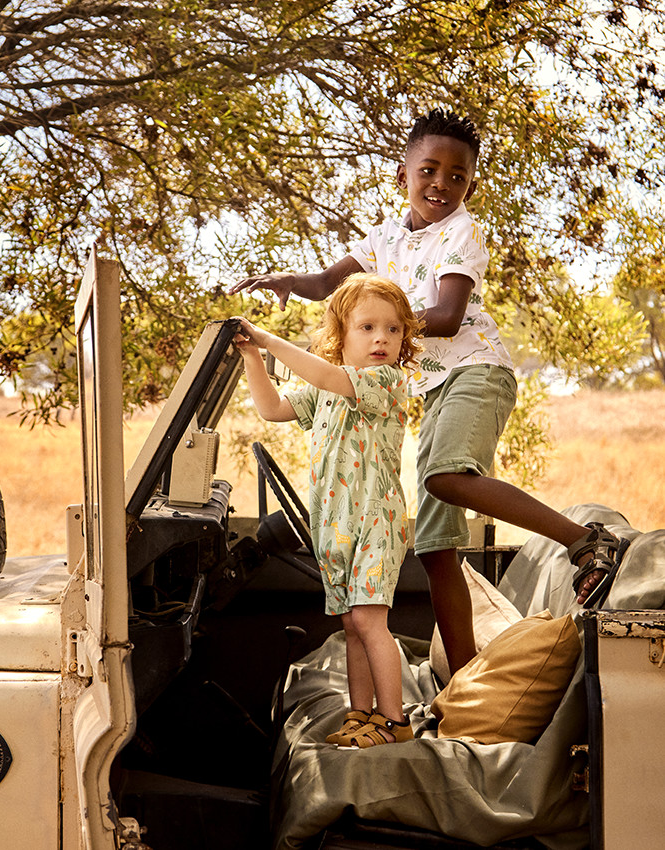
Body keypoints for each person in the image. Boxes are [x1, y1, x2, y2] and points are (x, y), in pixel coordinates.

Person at [230, 107, 627, 675]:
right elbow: (328, 283)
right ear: (403, 174)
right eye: (429, 170)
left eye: (457, 175)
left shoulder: (461, 231)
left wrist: (385, 324)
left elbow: (447, 315)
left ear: (470, 186)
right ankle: (463, 683)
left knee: (445, 475)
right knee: (435, 546)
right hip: (436, 388)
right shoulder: (385, 237)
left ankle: (585, 541)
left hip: (477, 371)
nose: (441, 183)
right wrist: (290, 280)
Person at [234, 273, 421, 748]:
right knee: (352, 625)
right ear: (341, 334)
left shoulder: (385, 381)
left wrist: (267, 339)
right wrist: (252, 356)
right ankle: (360, 715)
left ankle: (395, 722)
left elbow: (325, 375)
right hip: (335, 525)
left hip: (376, 521)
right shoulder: (325, 390)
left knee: (370, 622)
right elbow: (271, 408)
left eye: (393, 329)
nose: (381, 339)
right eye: (367, 328)